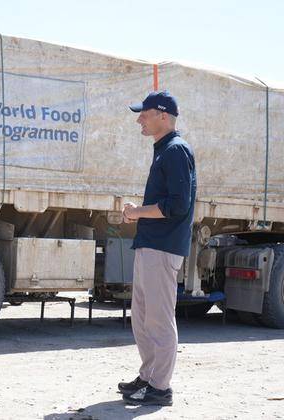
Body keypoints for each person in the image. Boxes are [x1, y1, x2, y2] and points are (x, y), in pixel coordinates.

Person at [117, 91, 197, 406]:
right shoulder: (164, 150)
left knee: (159, 319)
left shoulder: (176, 151)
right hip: (151, 245)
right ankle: (149, 376)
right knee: (143, 316)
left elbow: (177, 206)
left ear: (162, 116)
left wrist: (137, 211)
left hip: (162, 248)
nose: (139, 119)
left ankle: (160, 387)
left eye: (144, 113)